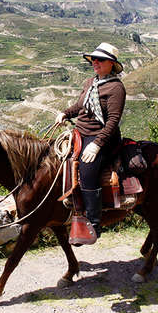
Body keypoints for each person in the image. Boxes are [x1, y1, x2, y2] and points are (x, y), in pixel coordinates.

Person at [55, 42, 126, 245]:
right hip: (81, 132)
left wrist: (96, 144)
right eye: (93, 59)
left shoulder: (116, 88)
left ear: (111, 63)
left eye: (100, 59)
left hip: (102, 138)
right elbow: (80, 105)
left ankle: (94, 223)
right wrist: (66, 113)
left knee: (87, 170)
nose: (95, 62)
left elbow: (113, 120)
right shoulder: (90, 82)